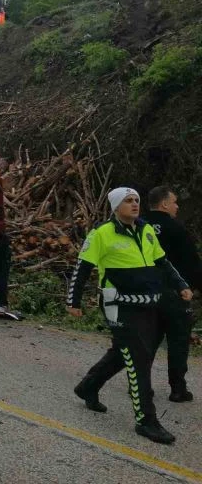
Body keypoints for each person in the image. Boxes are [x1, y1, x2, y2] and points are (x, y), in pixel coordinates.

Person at [67, 187, 192, 444]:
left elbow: (162, 262)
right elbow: (82, 267)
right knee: (138, 357)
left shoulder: (146, 230)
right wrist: (73, 301)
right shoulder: (101, 233)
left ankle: (88, 386)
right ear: (115, 206)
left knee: (122, 352)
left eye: (136, 199)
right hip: (117, 304)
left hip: (146, 304)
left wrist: (181, 284)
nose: (134, 204)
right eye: (128, 201)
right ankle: (147, 421)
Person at [144, 186, 201, 401]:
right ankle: (178, 389)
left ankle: (139, 384)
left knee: (148, 340)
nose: (177, 206)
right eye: (175, 202)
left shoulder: (138, 225)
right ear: (164, 204)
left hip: (146, 294)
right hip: (175, 294)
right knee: (178, 342)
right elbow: (192, 263)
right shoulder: (176, 228)